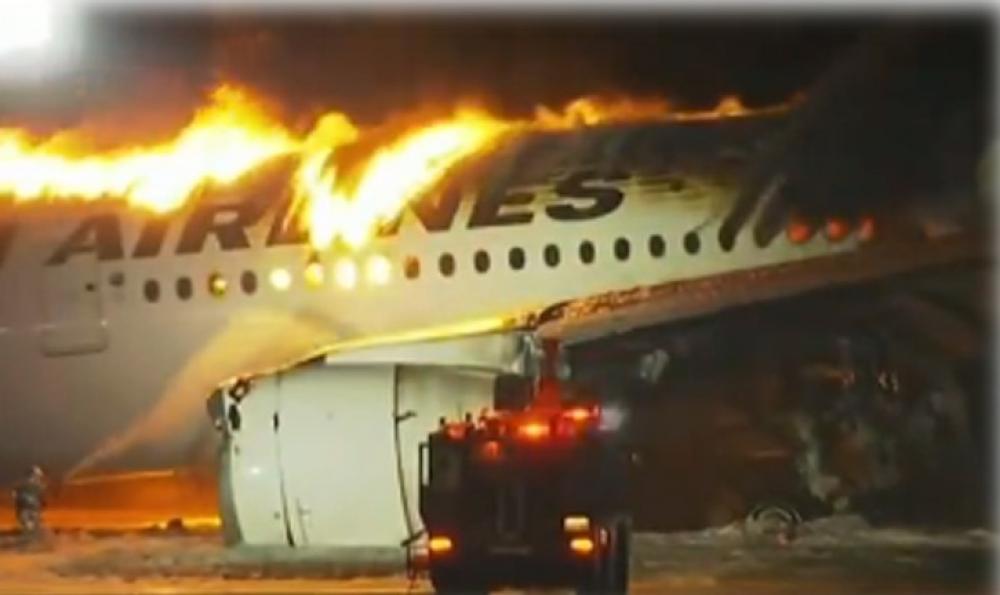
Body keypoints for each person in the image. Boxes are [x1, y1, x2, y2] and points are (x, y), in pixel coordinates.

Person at [11, 466, 47, 538]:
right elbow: (15, 493)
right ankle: (30, 537)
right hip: (26, 507)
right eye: (36, 475)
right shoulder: (24, 484)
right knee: (29, 522)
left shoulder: (38, 485)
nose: (38, 478)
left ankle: (32, 537)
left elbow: (40, 496)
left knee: (32, 522)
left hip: (31, 506)